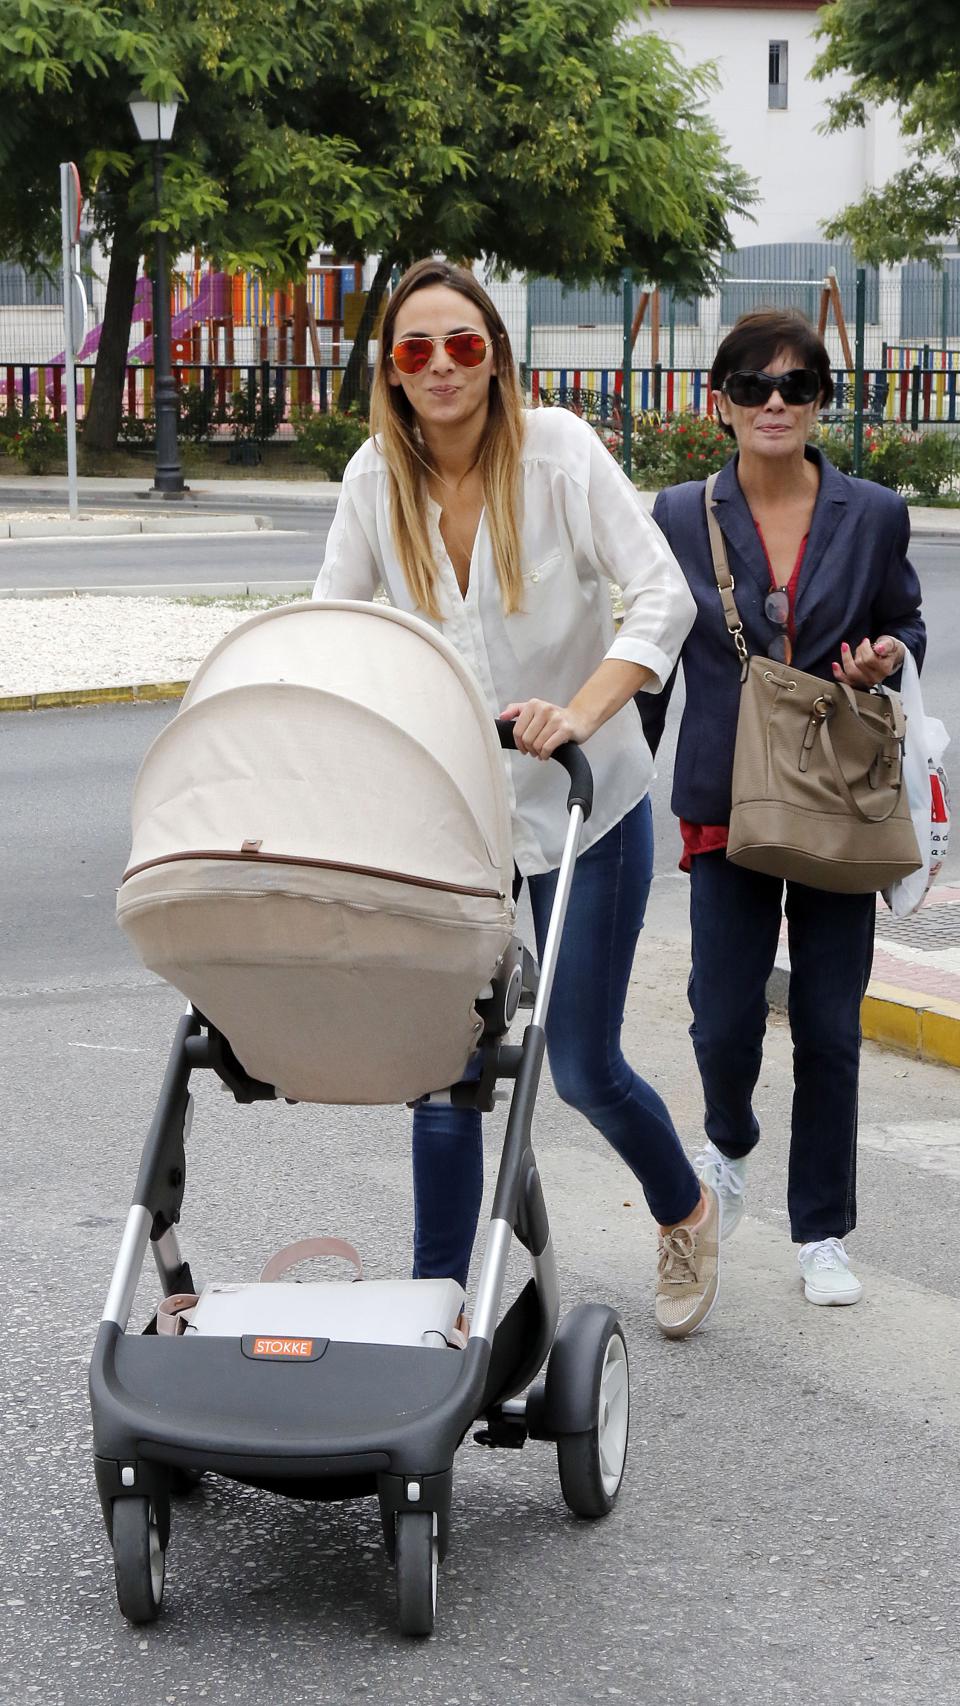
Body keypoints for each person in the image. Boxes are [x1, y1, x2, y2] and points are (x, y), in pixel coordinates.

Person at [314, 256, 718, 1338]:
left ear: (495, 353)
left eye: (462, 344)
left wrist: (582, 710)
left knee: (580, 1061)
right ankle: (437, 1305)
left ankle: (683, 1205)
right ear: (392, 374)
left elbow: (662, 595)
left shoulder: (560, 455)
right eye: (414, 350)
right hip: (458, 817)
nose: (440, 366)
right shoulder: (371, 481)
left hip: (593, 802)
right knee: (443, 1065)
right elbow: (337, 633)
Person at [642, 308, 925, 1307]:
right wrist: (613, 784)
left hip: (838, 795)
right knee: (721, 1018)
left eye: (797, 385)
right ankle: (728, 1139)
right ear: (717, 400)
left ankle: (823, 1231)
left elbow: (904, 622)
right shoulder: (680, 514)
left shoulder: (874, 512)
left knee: (829, 1024)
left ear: (819, 405)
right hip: (725, 797)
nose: (774, 401)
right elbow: (649, 655)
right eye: (753, 384)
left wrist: (889, 655)